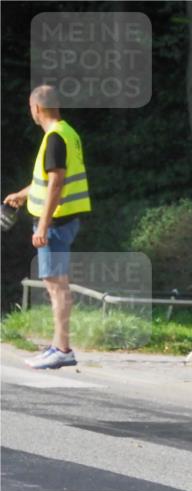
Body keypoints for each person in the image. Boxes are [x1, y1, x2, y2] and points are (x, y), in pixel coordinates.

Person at [4, 84, 91, 369]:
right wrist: (22, 194)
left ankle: (62, 349)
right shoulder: (68, 133)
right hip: (65, 220)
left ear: (36, 108)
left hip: (54, 223)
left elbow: (56, 183)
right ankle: (57, 345)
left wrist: (42, 226)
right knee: (57, 285)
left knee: (57, 287)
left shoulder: (54, 138)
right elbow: (48, 179)